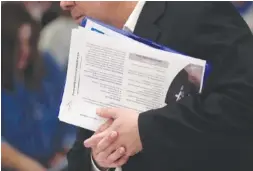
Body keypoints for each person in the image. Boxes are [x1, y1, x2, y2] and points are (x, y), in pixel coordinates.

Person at [60, 1, 253, 171]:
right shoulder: (94, 44)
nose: (64, 3)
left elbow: (243, 101)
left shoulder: (197, 11)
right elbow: (81, 152)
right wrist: (99, 161)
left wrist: (144, 130)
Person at [1, 2, 75, 171]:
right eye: (16, 45)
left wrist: (66, 149)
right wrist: (26, 165)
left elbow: (68, 107)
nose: (24, 51)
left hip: (55, 162)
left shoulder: (46, 65)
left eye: (28, 42)